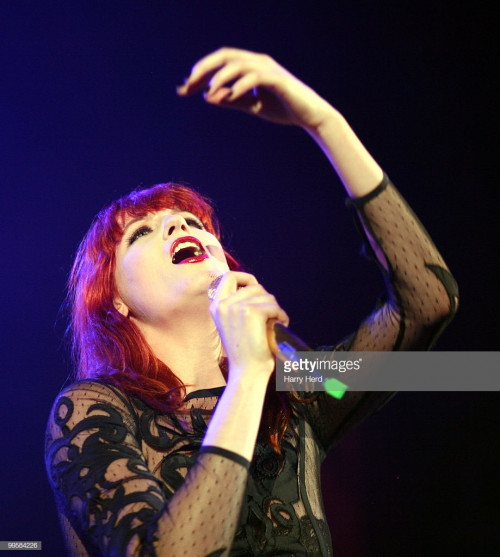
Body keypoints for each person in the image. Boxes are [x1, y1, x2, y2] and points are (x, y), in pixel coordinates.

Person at [45, 48, 458, 556]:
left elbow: (429, 302)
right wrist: (245, 376)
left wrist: (324, 122)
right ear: (116, 303)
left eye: (194, 221)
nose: (179, 224)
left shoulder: (297, 386)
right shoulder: (95, 408)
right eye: (142, 233)